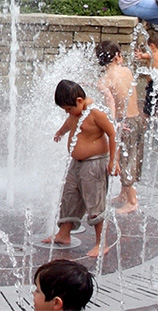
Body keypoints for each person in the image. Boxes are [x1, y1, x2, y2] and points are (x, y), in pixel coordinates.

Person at [42, 80, 119, 257]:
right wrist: (60, 133)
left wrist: (113, 161)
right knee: (69, 195)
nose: (67, 113)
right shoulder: (76, 113)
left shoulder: (95, 113)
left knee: (94, 201)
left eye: (68, 109)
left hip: (94, 163)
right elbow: (70, 124)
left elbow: (112, 133)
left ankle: (101, 243)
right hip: (76, 164)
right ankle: (63, 234)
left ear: (79, 100)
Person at [96, 40, 143, 214]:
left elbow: (111, 105)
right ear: (117, 57)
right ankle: (124, 194)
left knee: (124, 160)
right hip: (137, 119)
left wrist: (113, 125)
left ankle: (132, 201)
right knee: (133, 157)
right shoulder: (127, 71)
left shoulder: (104, 81)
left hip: (124, 123)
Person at [135, 31, 158, 117]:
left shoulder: (152, 54)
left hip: (153, 85)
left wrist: (140, 55)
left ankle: (146, 124)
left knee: (148, 109)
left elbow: (145, 55)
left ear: (152, 46)